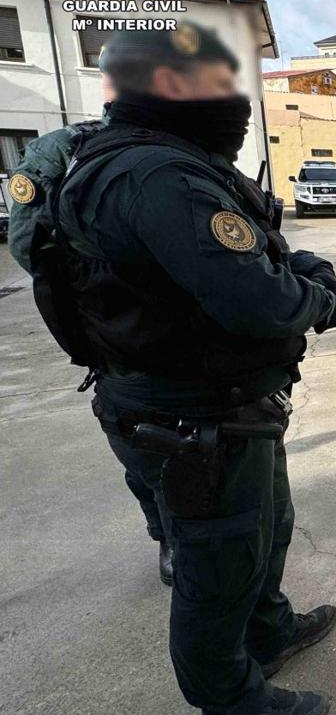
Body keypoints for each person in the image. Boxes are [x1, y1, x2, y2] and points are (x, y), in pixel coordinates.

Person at [48, 23, 336, 714]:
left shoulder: (154, 161)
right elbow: (256, 299)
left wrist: (290, 266)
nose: (235, 103)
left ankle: (270, 632)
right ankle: (234, 699)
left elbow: (243, 259)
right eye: (217, 85)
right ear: (168, 89)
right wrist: (321, 292)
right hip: (190, 416)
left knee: (264, 531)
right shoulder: (157, 175)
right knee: (217, 569)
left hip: (224, 406)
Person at [8, 73, 175, 586]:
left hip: (184, 334)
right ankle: (165, 536)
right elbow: (29, 245)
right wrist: (109, 280)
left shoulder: (182, 144)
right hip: (116, 333)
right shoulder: (62, 150)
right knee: (142, 450)